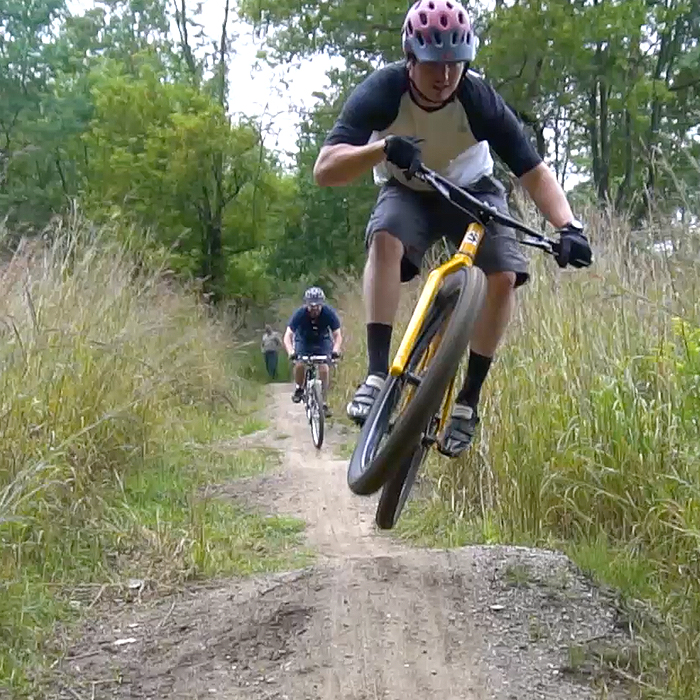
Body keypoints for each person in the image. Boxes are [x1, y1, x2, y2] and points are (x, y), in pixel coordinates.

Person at [313, 0, 592, 457]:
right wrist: (382, 149)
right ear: (410, 59)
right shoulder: (383, 90)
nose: (444, 76)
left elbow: (534, 172)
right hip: (408, 188)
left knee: (504, 276)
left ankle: (467, 402)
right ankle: (378, 374)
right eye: (433, 65)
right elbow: (325, 170)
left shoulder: (477, 98)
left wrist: (569, 226)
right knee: (384, 239)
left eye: (455, 65)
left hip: (473, 192)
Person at [283, 286, 343, 417]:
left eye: (317, 307)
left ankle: (324, 401)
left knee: (324, 368)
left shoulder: (328, 313)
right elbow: (287, 336)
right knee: (299, 364)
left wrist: (335, 350)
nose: (314, 311)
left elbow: (337, 335)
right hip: (303, 340)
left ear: (322, 305)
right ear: (306, 305)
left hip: (322, 340)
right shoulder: (300, 314)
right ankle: (299, 388)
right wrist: (291, 352)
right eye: (311, 307)